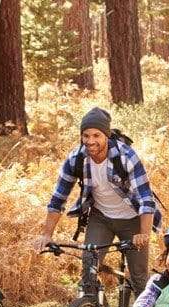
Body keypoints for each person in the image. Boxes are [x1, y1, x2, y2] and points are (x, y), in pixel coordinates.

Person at [32, 106, 159, 294]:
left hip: (132, 220)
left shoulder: (125, 156)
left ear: (106, 135)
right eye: (86, 136)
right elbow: (58, 198)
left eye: (96, 135)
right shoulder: (76, 159)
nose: (91, 141)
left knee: (139, 278)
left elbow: (146, 199)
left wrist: (144, 234)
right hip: (101, 218)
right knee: (88, 272)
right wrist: (47, 235)